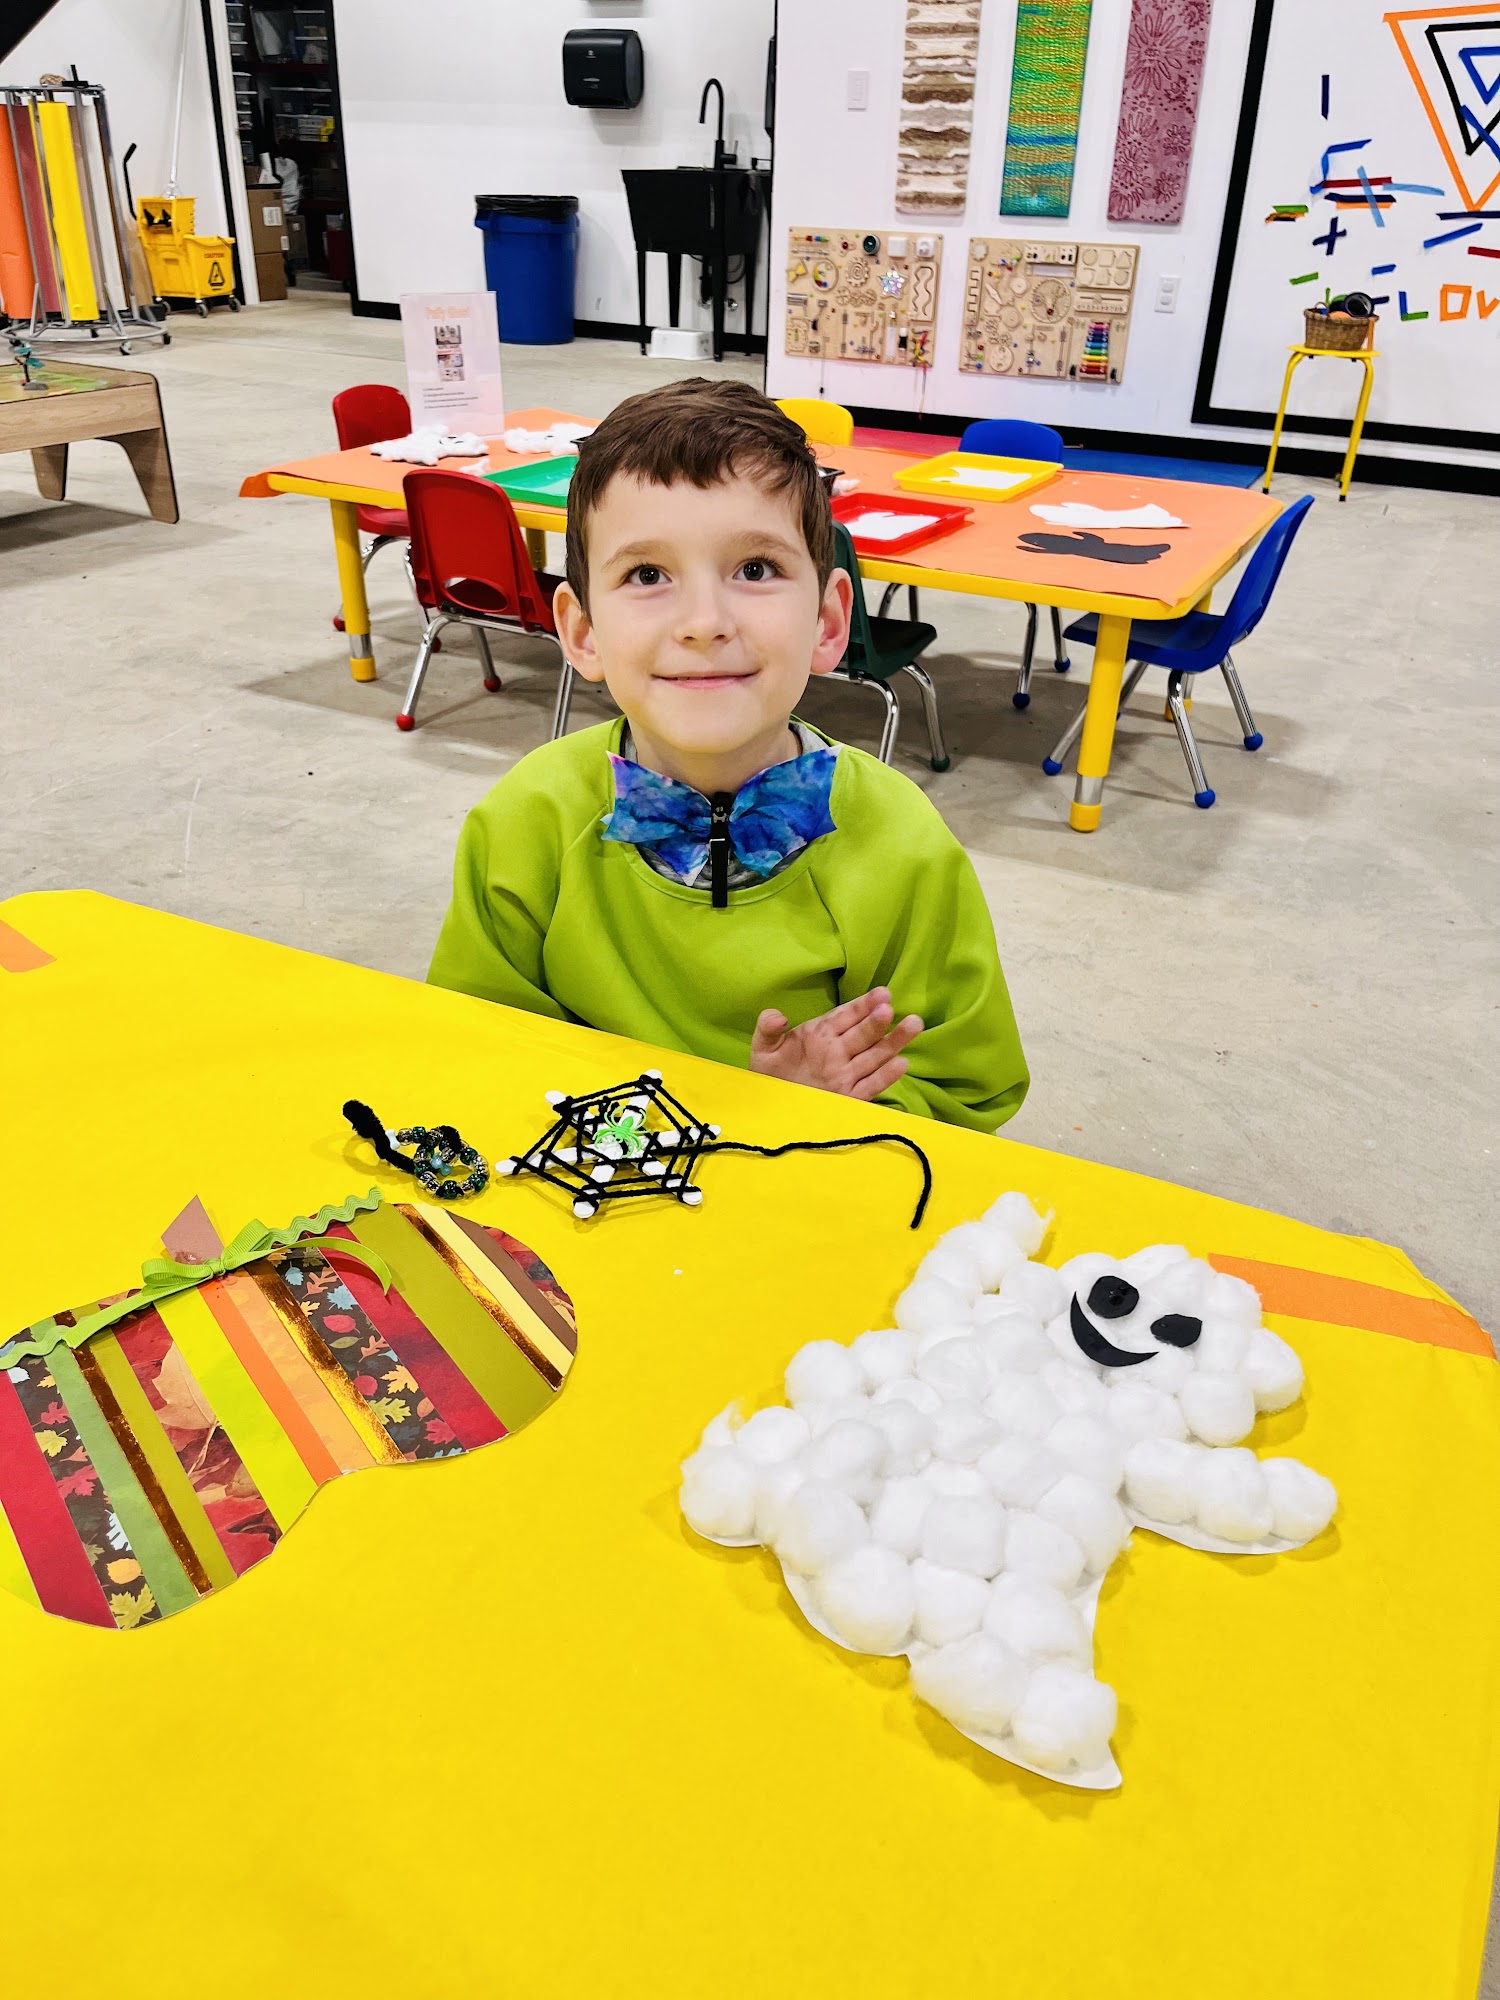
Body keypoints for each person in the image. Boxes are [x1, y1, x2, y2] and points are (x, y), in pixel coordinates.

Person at [427, 378, 1027, 1133]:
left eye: (755, 570)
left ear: (828, 621)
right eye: (647, 575)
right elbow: (474, 1051)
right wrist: (721, 1116)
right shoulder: (528, 820)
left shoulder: (900, 843)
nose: (704, 622)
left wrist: (816, 1115)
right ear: (582, 632)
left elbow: (966, 1093)